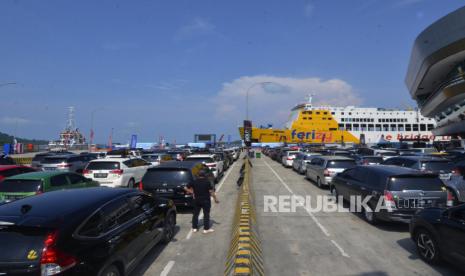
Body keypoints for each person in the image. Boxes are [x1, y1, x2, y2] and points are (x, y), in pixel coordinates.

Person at [185, 168, 220, 234]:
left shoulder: (194, 181)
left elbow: (185, 187)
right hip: (206, 201)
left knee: (195, 214)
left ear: (198, 175)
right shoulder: (207, 182)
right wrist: (215, 199)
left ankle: (194, 228)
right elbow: (211, 192)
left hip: (196, 200)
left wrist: (191, 192)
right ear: (204, 175)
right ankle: (206, 229)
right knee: (206, 215)